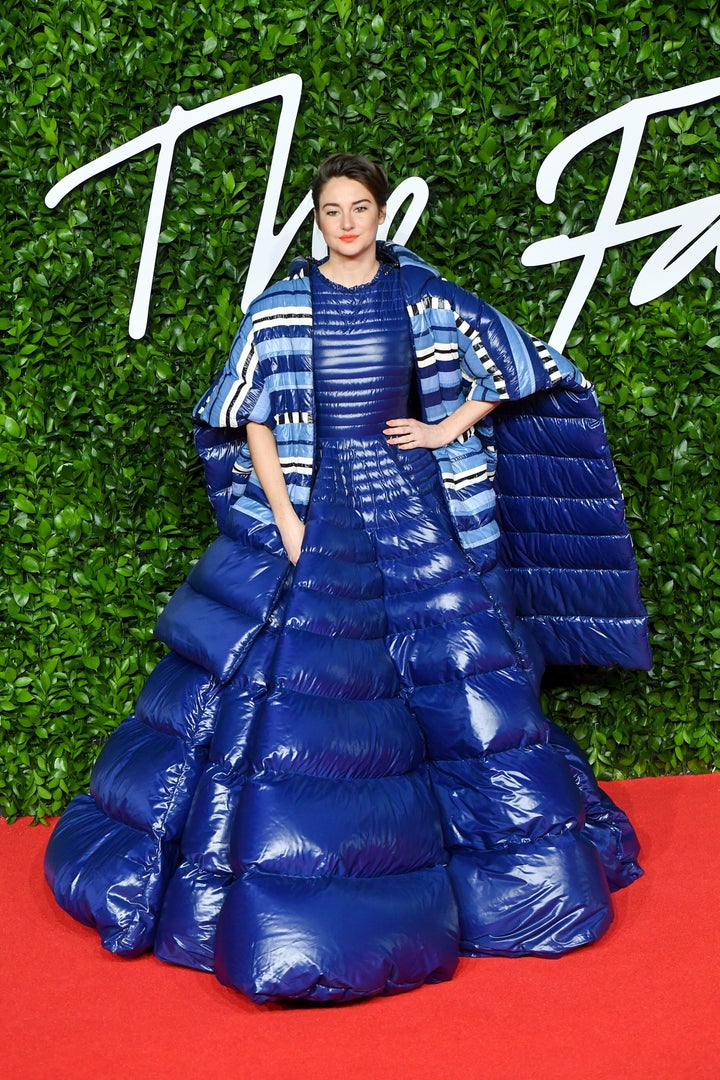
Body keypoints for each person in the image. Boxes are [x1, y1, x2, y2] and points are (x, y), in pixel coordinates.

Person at [45, 153, 650, 1004]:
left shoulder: (423, 295)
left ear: (379, 213)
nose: (349, 223)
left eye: (360, 207)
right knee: (293, 686)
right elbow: (249, 414)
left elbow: (517, 364)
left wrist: (444, 431)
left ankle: (481, 891)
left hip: (410, 502)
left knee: (451, 679)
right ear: (318, 220)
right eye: (333, 210)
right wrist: (287, 519)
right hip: (316, 509)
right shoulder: (283, 306)